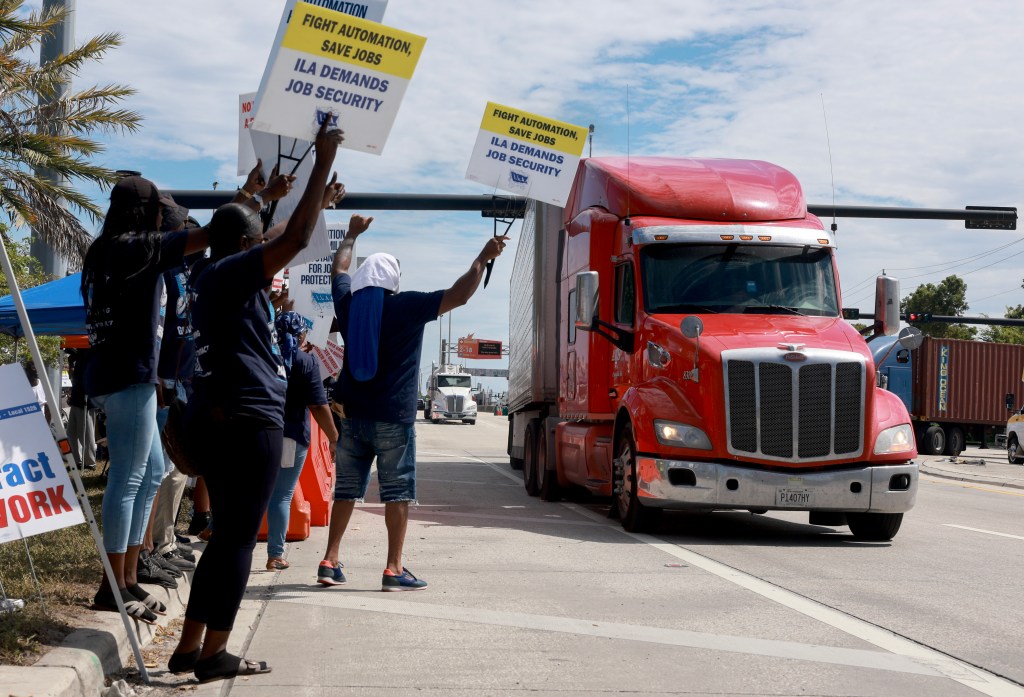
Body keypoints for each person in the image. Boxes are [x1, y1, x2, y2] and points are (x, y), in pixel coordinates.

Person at [167, 115, 344, 683]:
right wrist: (320, 161)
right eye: (255, 244)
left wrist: (270, 199)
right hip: (250, 420)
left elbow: (271, 237)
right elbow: (290, 239)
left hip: (225, 419)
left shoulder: (208, 272)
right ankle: (217, 652)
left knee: (223, 539)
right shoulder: (234, 274)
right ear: (246, 248)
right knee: (240, 540)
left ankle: (191, 646)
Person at [316, 215, 507, 591]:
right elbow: (461, 294)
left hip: (351, 419)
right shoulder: (408, 307)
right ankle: (393, 568)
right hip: (393, 420)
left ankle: (329, 560)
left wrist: (352, 234)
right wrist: (482, 259)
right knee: (397, 492)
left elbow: (338, 268)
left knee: (346, 492)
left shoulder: (349, 306)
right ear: (392, 281)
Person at [80, 175, 214, 624]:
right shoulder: (134, 247)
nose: (164, 215)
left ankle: (128, 573)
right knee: (130, 474)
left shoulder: (115, 248)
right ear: (144, 212)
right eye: (159, 208)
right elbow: (211, 234)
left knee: (153, 468)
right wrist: (254, 198)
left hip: (125, 374)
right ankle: (112, 585)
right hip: (125, 375)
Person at [265, 310, 338, 571]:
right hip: (292, 437)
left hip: (261, 433)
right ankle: (275, 555)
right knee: (282, 496)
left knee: (252, 491)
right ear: (301, 335)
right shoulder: (305, 361)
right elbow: (318, 405)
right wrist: (334, 437)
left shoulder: (265, 355)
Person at [66, 350, 97, 470]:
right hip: (76, 398)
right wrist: (71, 363)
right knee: (71, 433)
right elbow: (72, 377)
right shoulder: (76, 358)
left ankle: (89, 462)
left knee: (86, 433)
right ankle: (75, 461)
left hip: (86, 399)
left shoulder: (87, 354)